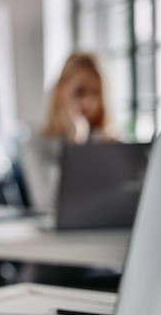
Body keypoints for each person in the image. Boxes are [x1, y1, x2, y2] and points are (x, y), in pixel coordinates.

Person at [21, 51, 117, 212]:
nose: (88, 102)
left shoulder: (110, 142)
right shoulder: (37, 143)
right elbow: (49, 202)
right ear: (60, 90)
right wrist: (76, 145)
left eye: (96, 93)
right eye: (80, 92)